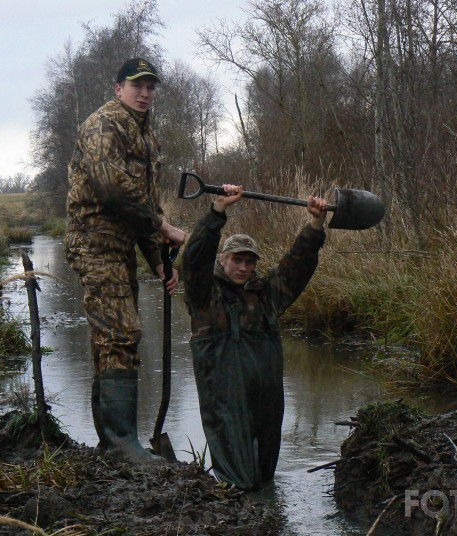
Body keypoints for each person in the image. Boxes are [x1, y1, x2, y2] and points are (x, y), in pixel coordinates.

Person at [64, 57, 185, 463]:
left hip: (121, 246)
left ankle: (112, 443)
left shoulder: (147, 137)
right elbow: (113, 190)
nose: (145, 93)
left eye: (151, 87)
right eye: (137, 86)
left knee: (113, 338)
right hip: (95, 244)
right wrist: (163, 226)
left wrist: (157, 260)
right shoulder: (104, 125)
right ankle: (122, 445)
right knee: (121, 334)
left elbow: (142, 205)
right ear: (119, 89)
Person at [181, 184, 329, 490]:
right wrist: (217, 211)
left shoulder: (265, 294)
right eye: (237, 260)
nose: (243, 267)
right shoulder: (204, 294)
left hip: (267, 399)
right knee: (240, 482)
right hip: (225, 399)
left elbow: (296, 266)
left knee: (264, 481)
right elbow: (194, 259)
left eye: (250, 262)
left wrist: (315, 224)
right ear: (223, 259)